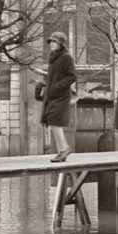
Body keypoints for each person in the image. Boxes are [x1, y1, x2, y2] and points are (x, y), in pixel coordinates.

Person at [41, 32, 77, 162]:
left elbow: (72, 76)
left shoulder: (66, 57)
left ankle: (64, 149)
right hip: (52, 95)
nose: (51, 44)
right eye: (50, 41)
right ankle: (63, 150)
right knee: (52, 122)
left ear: (61, 44)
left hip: (61, 96)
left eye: (54, 42)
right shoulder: (53, 57)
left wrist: (57, 86)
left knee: (54, 121)